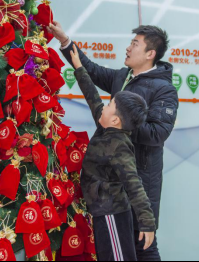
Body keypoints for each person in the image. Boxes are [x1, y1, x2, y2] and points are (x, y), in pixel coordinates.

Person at [48, 22, 178, 261]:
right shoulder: (123, 76)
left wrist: (119, 125)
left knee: (144, 246)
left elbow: (158, 132)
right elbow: (91, 74)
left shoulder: (164, 90)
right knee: (121, 248)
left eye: (135, 44)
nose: (128, 48)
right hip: (110, 184)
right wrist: (66, 42)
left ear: (150, 54)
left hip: (138, 177)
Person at [69, 45, 156, 261]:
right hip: (102, 212)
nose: (104, 107)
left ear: (115, 119)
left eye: (109, 105)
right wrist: (79, 67)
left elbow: (134, 185)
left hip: (111, 214)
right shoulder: (106, 125)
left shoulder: (119, 146)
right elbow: (93, 98)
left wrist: (147, 223)